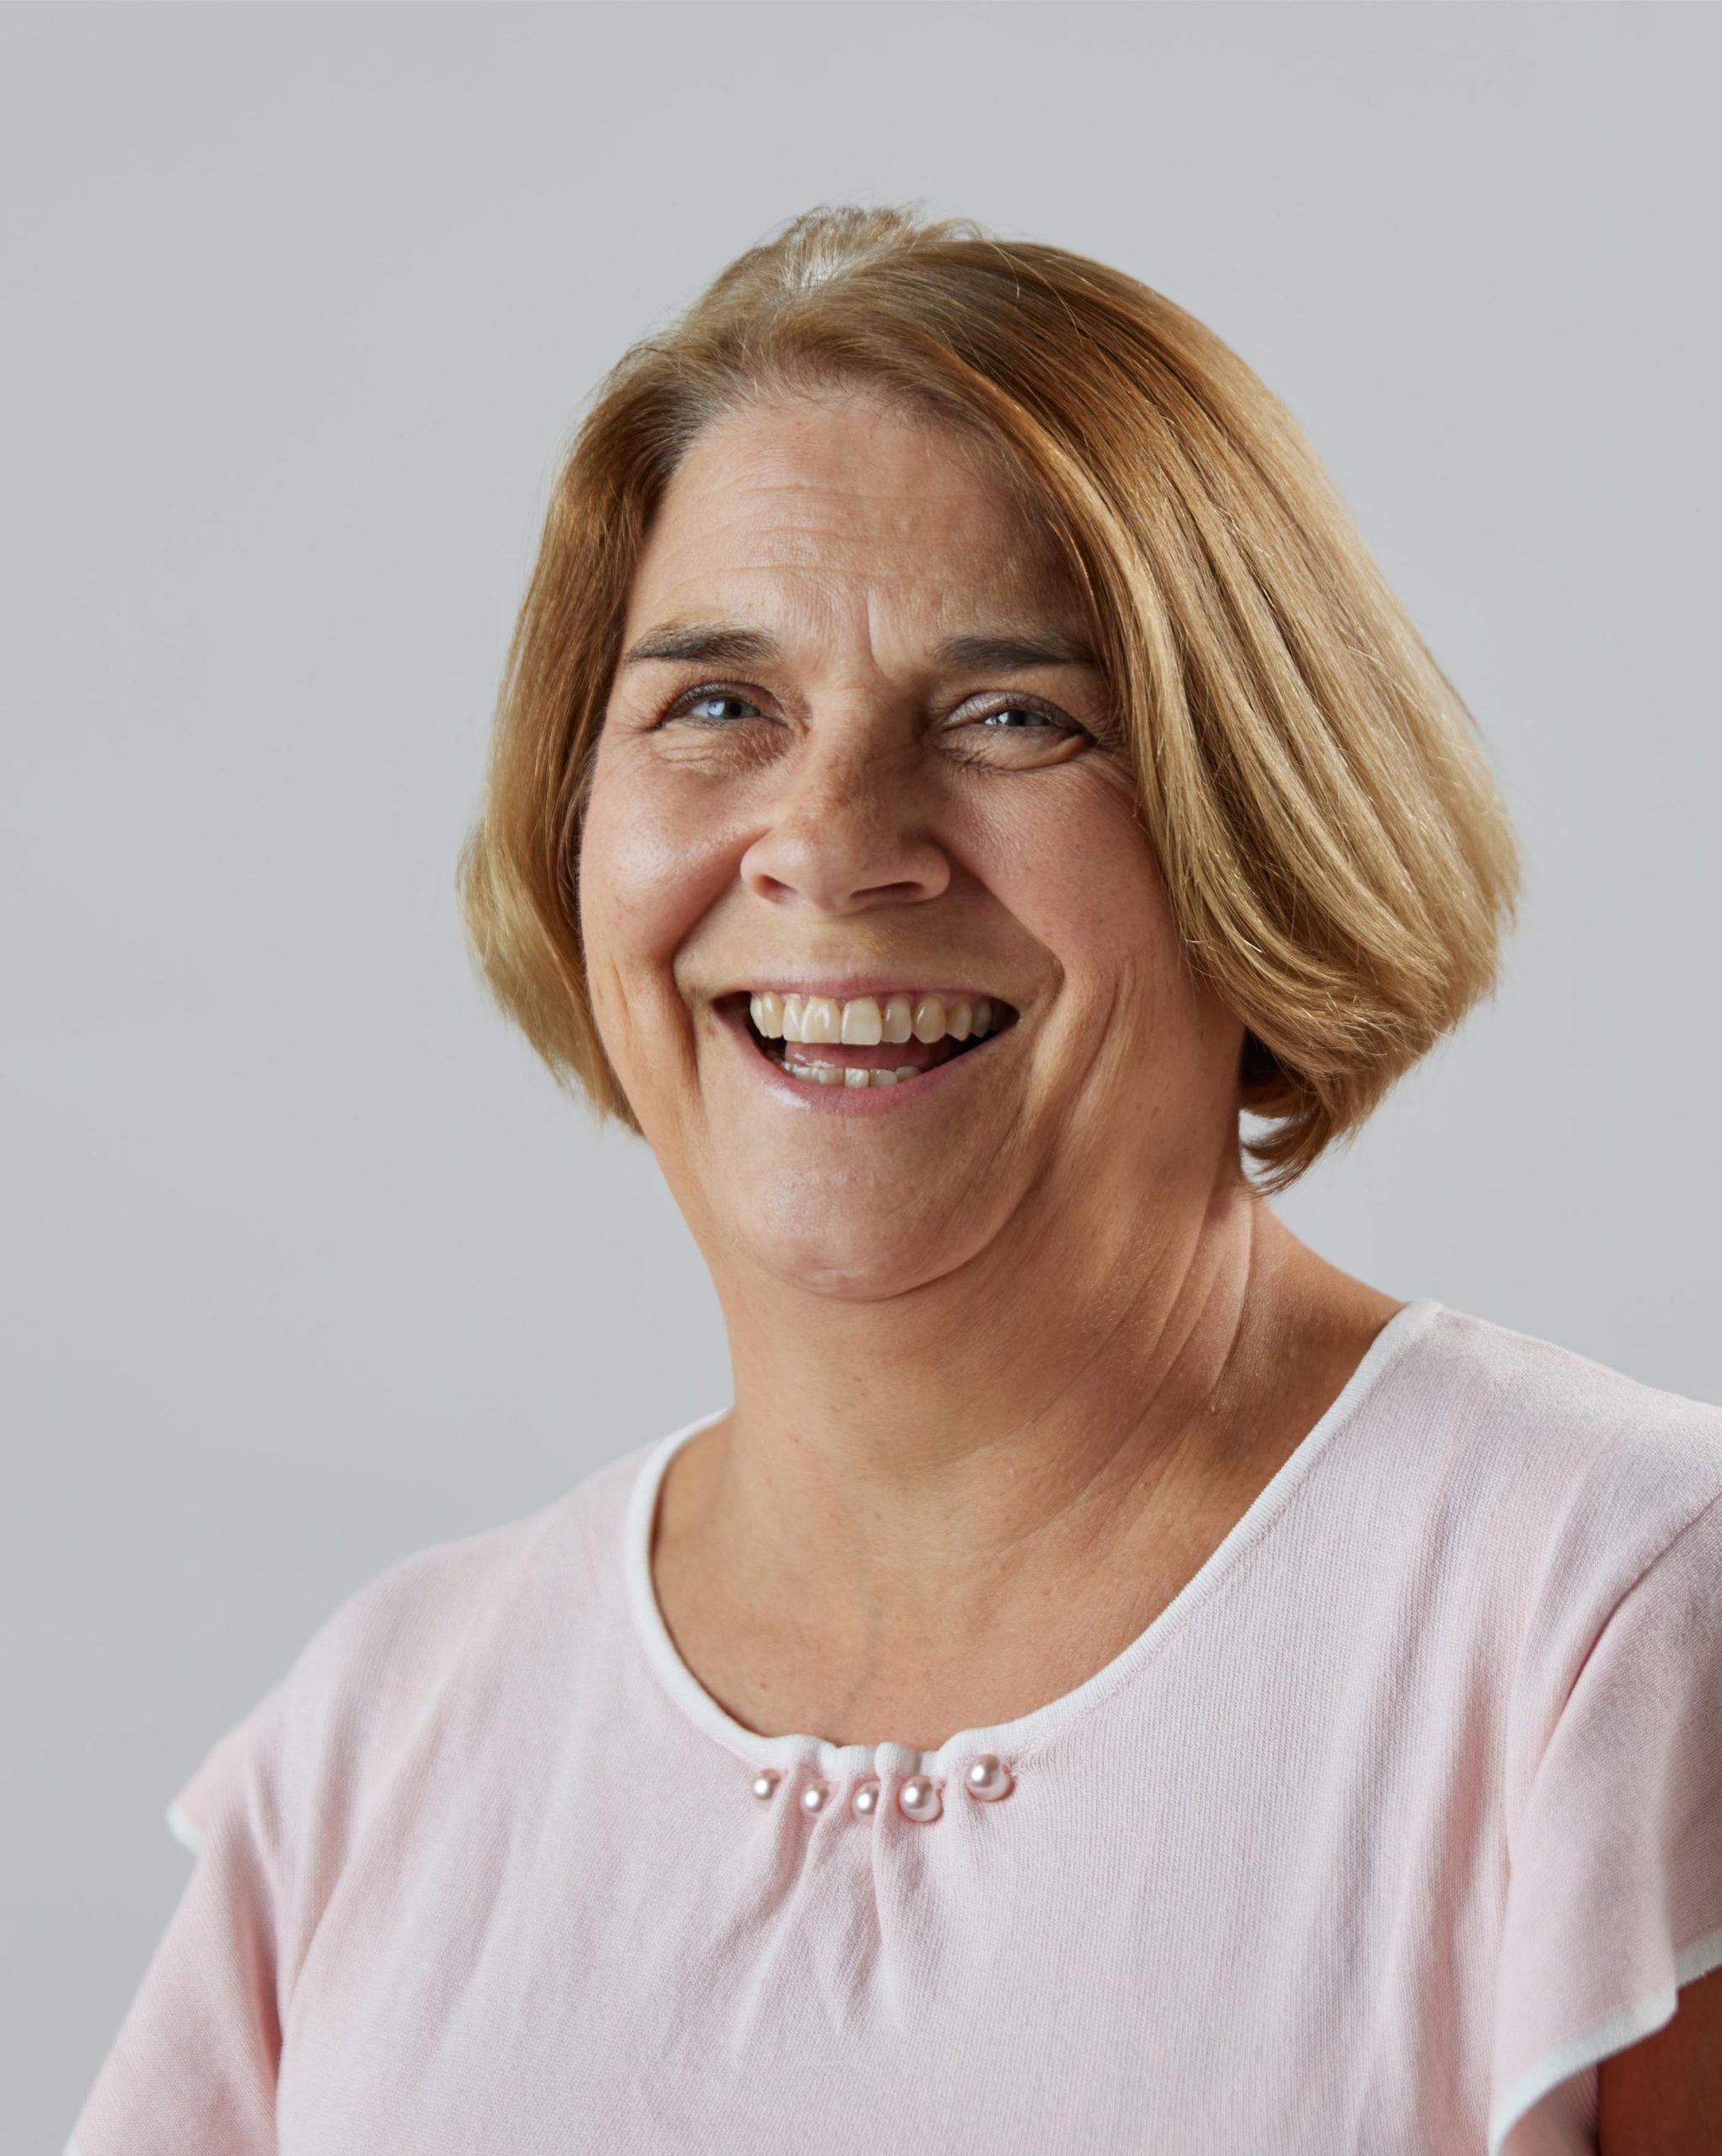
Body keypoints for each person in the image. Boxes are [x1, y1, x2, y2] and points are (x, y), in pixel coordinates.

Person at [69, 204, 1722, 2156]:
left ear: (1256, 817)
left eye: (1013, 713)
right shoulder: (382, 1735)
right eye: (718, 703)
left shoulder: (1616, 1620)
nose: (835, 844)